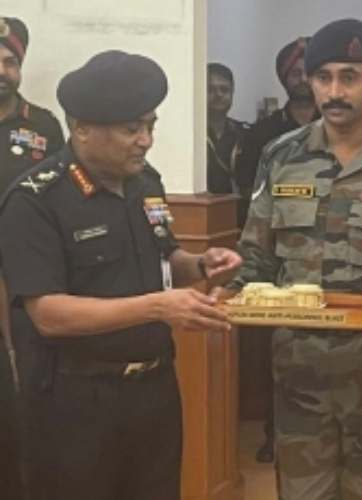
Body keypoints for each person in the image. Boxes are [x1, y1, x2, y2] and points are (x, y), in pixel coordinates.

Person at [220, 18, 362, 500]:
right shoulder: (281, 157)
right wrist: (228, 290)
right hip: (300, 370)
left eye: (350, 77)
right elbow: (256, 255)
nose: (334, 91)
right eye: (323, 78)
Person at [0, 50, 242, 500]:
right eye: (132, 129)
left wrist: (200, 264)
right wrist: (157, 307)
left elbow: (163, 257)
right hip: (73, 401)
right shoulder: (34, 200)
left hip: (153, 390)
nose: (146, 140)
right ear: (81, 129)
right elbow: (49, 314)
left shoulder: (145, 183)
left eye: (151, 125)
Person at [236, 36, 318, 464]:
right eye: (294, 72)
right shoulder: (264, 136)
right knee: (277, 355)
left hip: (332, 259)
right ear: (283, 78)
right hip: (279, 258)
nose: (302, 79)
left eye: (308, 72)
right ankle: (275, 433)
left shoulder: (338, 125)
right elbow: (250, 198)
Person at [0, 16, 64, 498]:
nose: (1, 71)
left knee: (27, 395)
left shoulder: (42, 125)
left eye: (9, 62)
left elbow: (61, 201)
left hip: (26, 282)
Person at [206, 62, 251, 200]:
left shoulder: (246, 134)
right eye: (210, 89)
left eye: (224, 90)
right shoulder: (190, 134)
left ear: (232, 93)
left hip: (239, 207)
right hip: (202, 207)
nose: (218, 94)